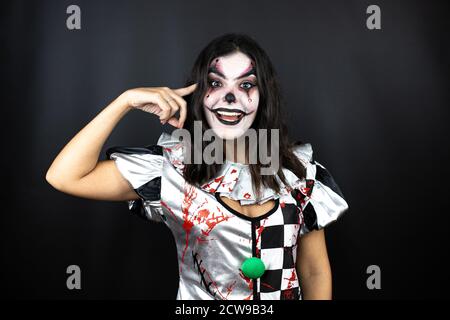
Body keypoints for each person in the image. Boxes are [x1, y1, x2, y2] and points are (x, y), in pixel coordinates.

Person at [46, 33, 349, 300]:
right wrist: (124, 101)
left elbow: (313, 271)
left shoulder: (298, 172)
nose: (230, 98)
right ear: (198, 92)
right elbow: (65, 177)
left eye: (246, 85)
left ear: (264, 95)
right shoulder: (173, 169)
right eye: (216, 83)